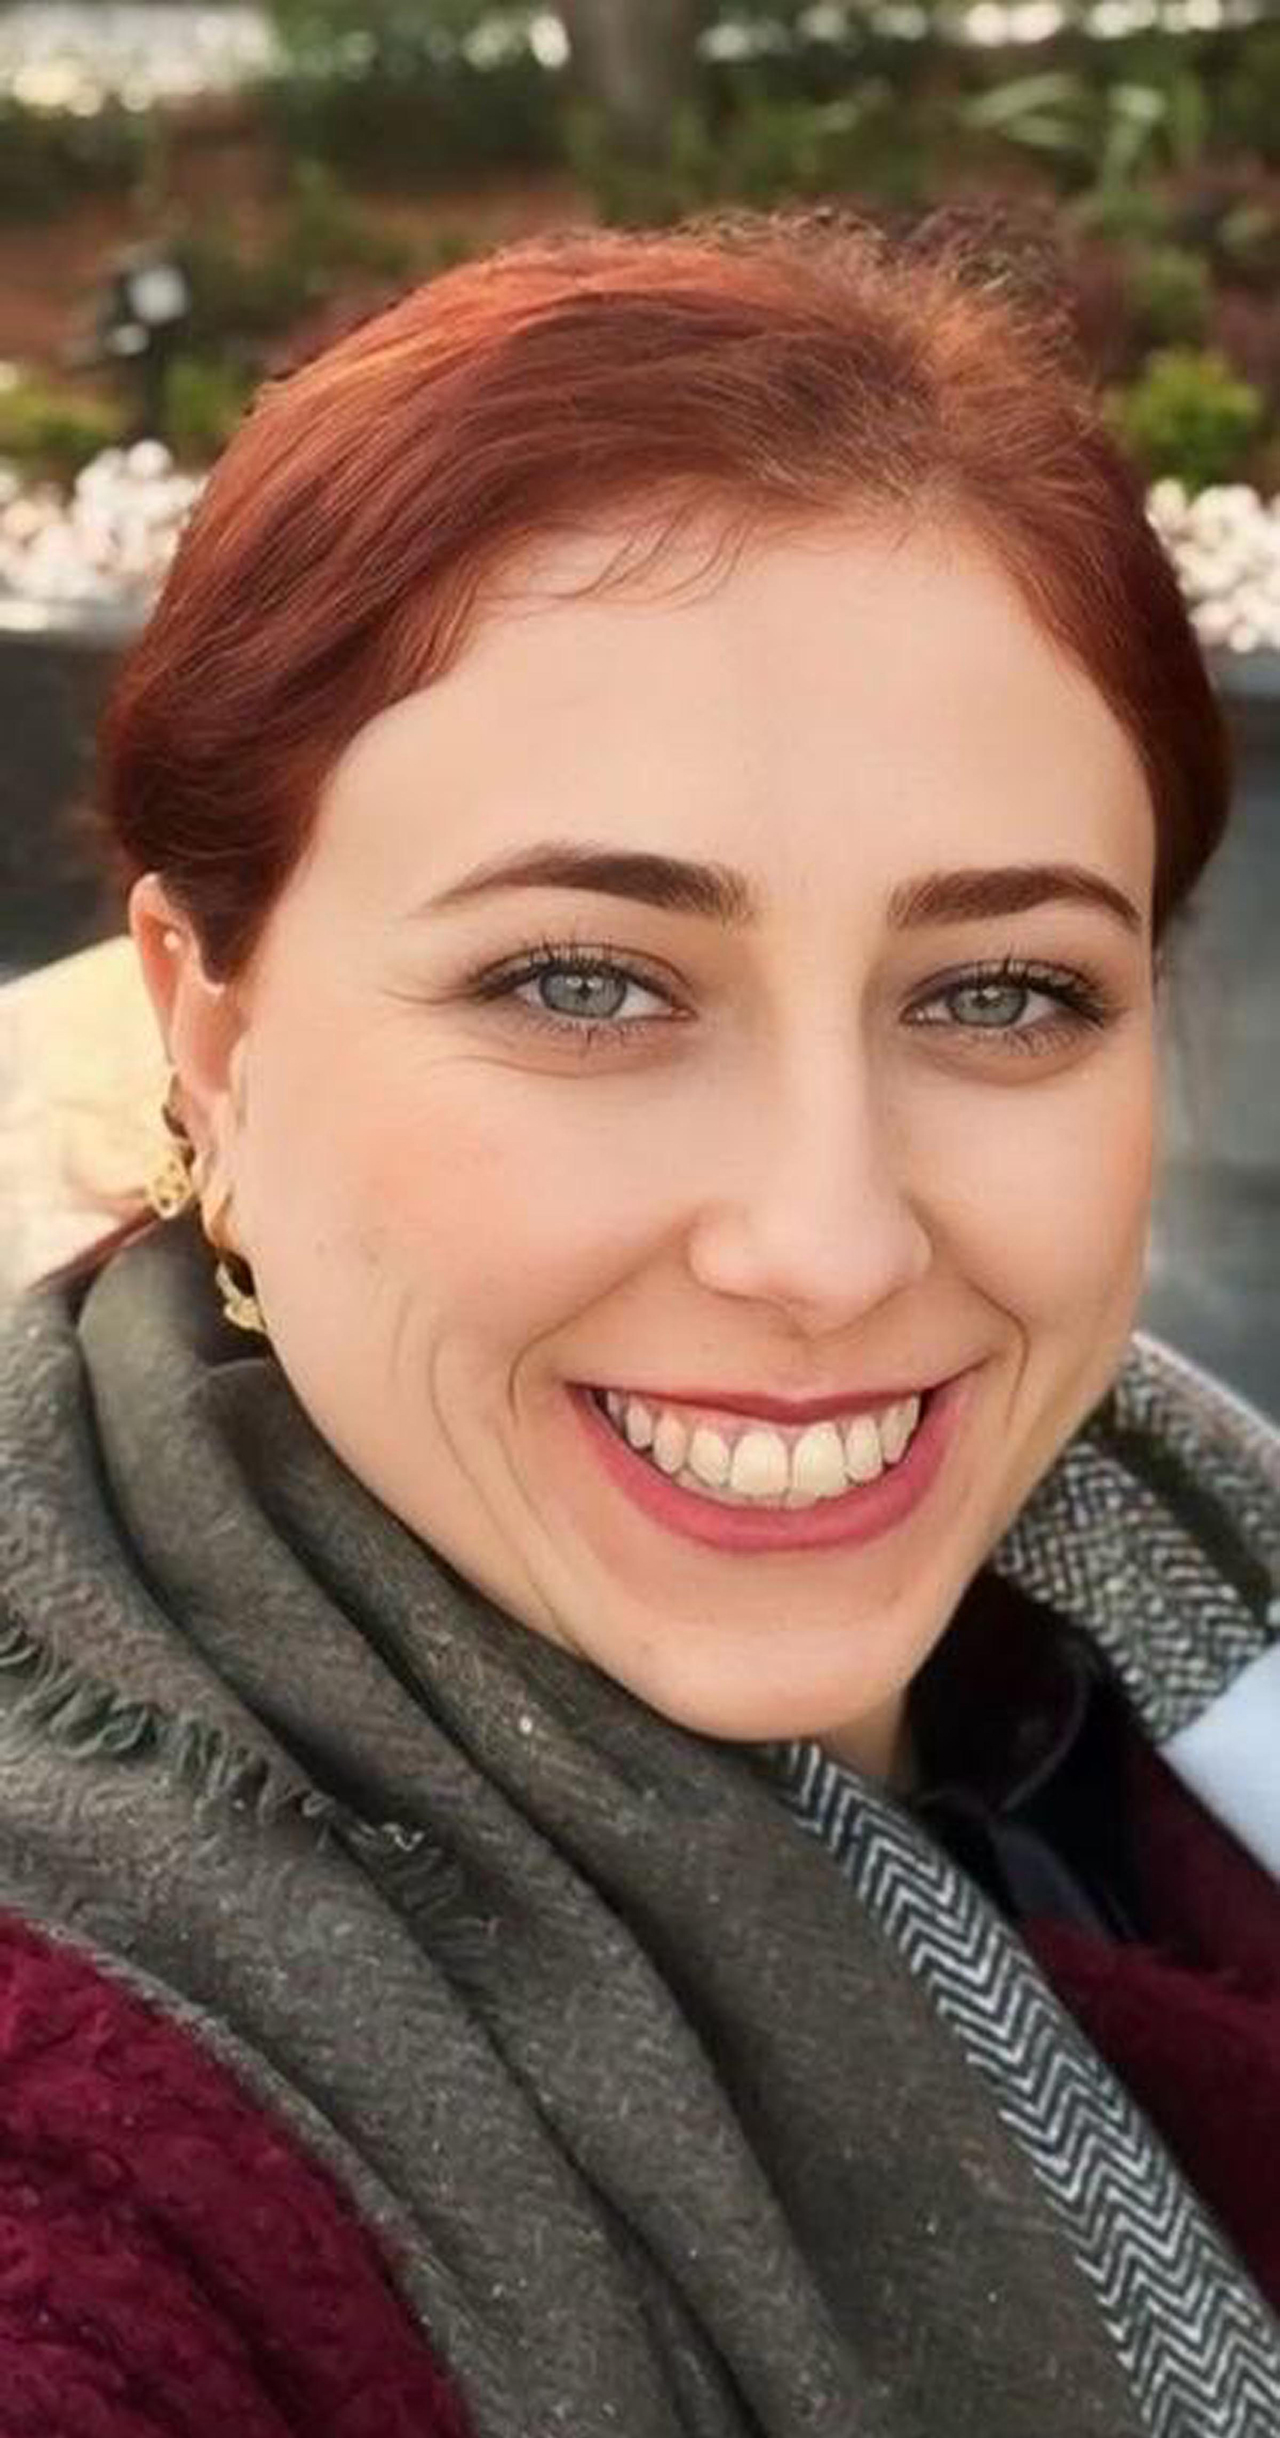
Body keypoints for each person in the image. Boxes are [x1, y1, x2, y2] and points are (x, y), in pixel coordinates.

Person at [0, 203, 1277, 2438]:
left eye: (1002, 992)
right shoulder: (90, 2126)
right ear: (212, 1026)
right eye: (583, 982)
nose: (828, 1245)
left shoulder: (1184, 1584)